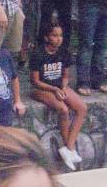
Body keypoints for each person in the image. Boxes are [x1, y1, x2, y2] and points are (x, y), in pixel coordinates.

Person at [30, 24, 86, 171]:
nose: (58, 39)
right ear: (46, 37)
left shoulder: (64, 53)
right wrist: (54, 89)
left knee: (82, 108)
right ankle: (70, 150)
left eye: (60, 35)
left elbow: (66, 76)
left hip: (58, 86)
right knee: (63, 109)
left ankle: (68, 148)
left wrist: (62, 87)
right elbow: (35, 81)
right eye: (54, 35)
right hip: (42, 88)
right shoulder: (38, 53)